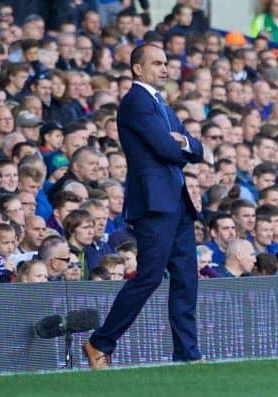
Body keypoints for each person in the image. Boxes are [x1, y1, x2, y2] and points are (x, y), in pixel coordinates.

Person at [84, 44, 204, 369]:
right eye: (157, 63)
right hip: (154, 203)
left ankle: (188, 354)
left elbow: (197, 146)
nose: (164, 68)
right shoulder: (136, 102)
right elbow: (168, 147)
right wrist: (183, 147)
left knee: (185, 279)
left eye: (166, 63)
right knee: (149, 277)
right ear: (138, 68)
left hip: (177, 201)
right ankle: (99, 342)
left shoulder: (159, 103)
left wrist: (186, 145)